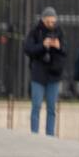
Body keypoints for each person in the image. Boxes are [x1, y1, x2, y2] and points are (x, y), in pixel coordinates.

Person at [23, 7, 67, 136]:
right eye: (48, 22)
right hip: (38, 74)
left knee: (51, 108)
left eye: (53, 22)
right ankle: (34, 134)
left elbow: (66, 51)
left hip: (54, 74)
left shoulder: (60, 31)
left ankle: (50, 135)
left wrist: (59, 47)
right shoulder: (36, 31)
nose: (51, 24)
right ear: (43, 20)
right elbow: (28, 48)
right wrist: (43, 45)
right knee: (36, 105)